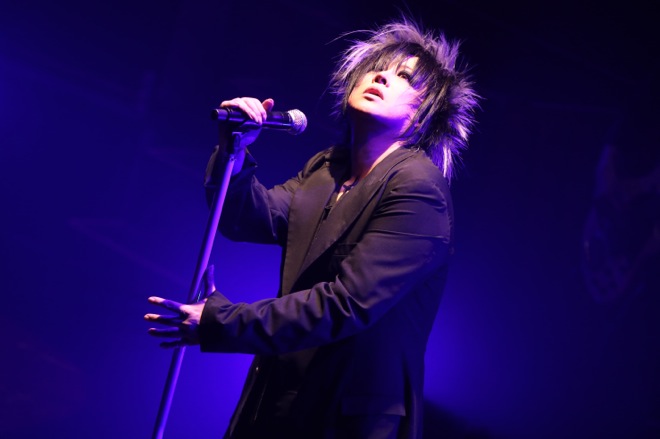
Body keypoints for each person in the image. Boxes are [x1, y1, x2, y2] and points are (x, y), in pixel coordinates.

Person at [145, 17, 479, 439]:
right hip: (276, 403)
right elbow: (246, 216)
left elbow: (345, 305)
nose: (380, 76)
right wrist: (234, 149)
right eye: (377, 68)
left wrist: (221, 322)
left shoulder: (418, 190)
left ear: (423, 117)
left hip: (344, 420)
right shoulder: (327, 169)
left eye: (404, 78)